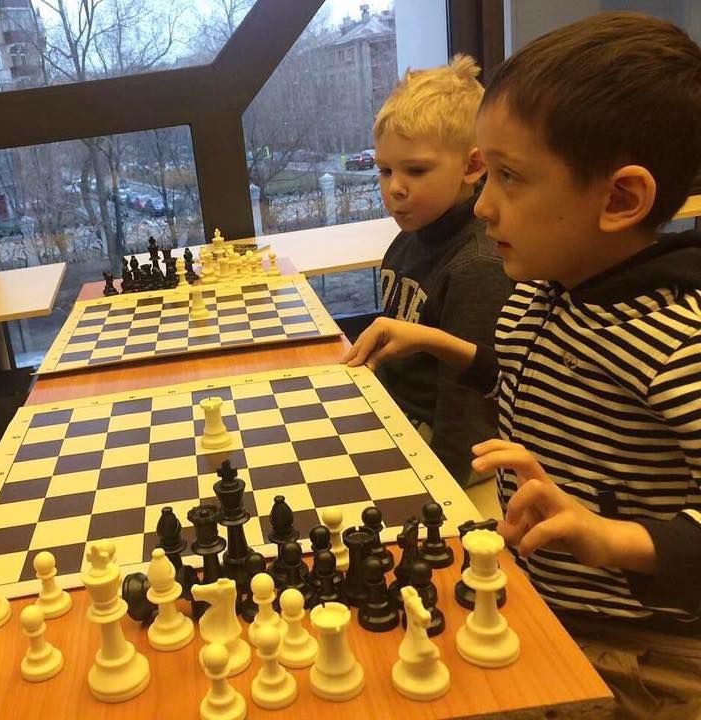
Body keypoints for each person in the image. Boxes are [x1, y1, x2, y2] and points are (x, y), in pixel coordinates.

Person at [351, 13, 701, 717]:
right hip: (542, 599)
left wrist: (612, 538)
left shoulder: (676, 342)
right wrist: (441, 344)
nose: (483, 205)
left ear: (620, 199)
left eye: (508, 177)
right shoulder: (539, 292)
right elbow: (520, 377)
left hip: (643, 655)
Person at [343, 55, 513, 487]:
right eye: (385, 170)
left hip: (441, 453)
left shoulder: (477, 266)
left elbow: (467, 408)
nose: (394, 188)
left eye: (416, 170)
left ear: (472, 167)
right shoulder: (408, 240)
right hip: (397, 419)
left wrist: (436, 496)